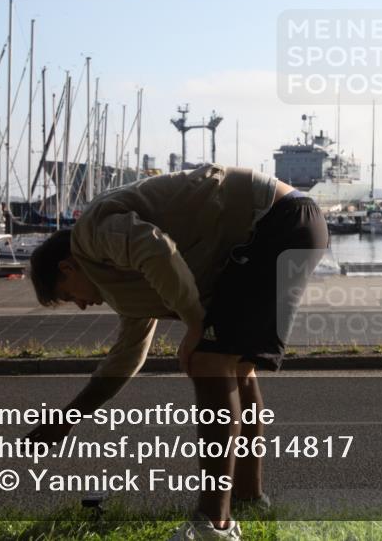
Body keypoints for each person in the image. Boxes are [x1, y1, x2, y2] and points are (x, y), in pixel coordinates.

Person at [27, 163, 328, 540]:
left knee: (208, 360)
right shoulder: (121, 285)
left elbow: (155, 248)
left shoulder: (91, 234)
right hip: (292, 224)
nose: (81, 306)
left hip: (276, 220)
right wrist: (68, 417)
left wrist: (194, 323)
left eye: (69, 296)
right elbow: (126, 358)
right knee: (236, 369)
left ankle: (212, 526)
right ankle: (250, 499)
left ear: (67, 267)